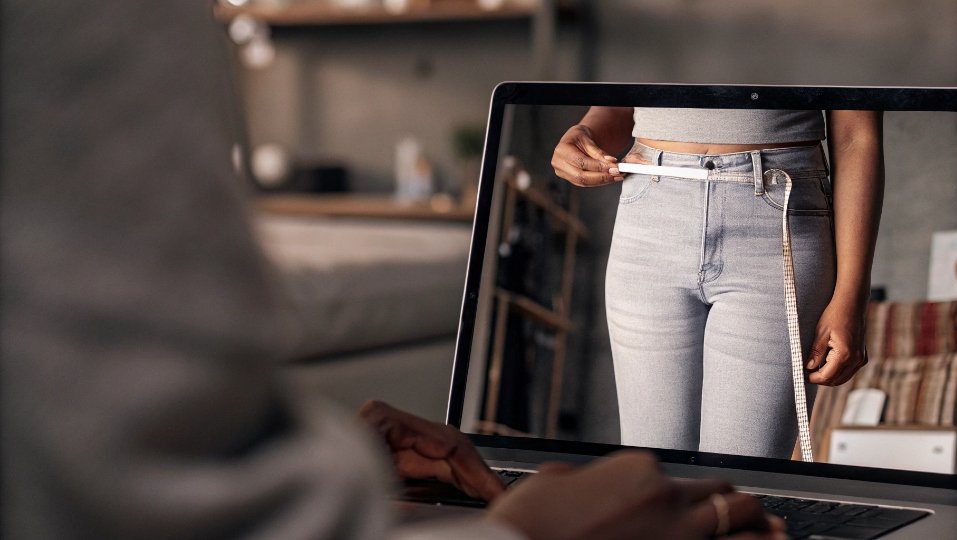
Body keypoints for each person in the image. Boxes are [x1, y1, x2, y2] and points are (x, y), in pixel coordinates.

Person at [0, 1, 788, 538]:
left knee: (760, 488)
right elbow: (135, 500)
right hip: (650, 196)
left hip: (782, 193)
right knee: (685, 484)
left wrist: (334, 456)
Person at [551, 106, 883, 459]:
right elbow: (621, 103)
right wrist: (586, 132)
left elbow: (855, 136)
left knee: (742, 479)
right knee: (652, 472)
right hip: (650, 207)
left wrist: (853, 297)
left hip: (775, 210)